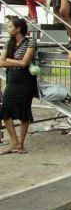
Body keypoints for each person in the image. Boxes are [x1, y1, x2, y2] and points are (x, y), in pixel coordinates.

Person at [0, 17, 37, 155]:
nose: (8, 29)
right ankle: (14, 141)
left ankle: (20, 144)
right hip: (12, 80)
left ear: (18, 28)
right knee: (5, 110)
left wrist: (9, 60)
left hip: (25, 81)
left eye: (10, 27)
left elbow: (24, 63)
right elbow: (0, 62)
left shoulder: (30, 42)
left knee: (24, 112)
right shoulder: (7, 43)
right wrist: (15, 61)